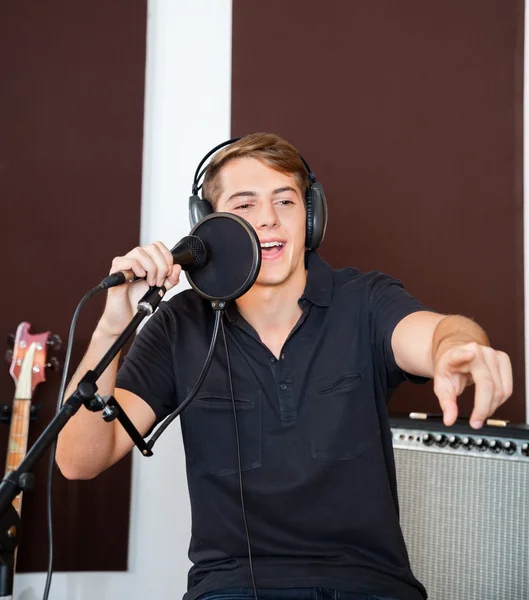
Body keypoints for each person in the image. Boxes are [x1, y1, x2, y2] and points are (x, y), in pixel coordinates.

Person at [56, 133, 512, 600]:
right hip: (230, 589)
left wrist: (460, 347)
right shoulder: (179, 325)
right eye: (245, 204)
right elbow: (77, 461)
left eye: (285, 201)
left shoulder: (366, 300)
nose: (268, 219)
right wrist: (113, 327)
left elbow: (437, 333)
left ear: (311, 217)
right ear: (208, 226)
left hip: (367, 587)